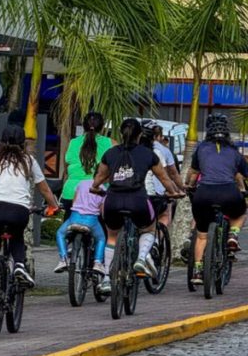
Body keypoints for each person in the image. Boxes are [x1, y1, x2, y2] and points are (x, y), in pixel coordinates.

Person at [0, 125, 58, 313]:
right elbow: (43, 188)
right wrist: (54, 205)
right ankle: (19, 265)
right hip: (18, 210)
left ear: (1, 142)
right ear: (23, 143)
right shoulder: (29, 161)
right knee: (17, 236)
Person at [90, 118, 183, 283]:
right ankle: (141, 258)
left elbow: (99, 177)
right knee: (149, 229)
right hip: (138, 201)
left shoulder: (110, 153)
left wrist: (95, 188)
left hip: (113, 201)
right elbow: (164, 178)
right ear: (139, 135)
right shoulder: (148, 154)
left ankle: (105, 279)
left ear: (121, 134)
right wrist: (173, 192)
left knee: (112, 236)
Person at [186, 113, 248, 285]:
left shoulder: (201, 148)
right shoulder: (234, 152)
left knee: (201, 235)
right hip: (229, 193)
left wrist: (190, 186)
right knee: (240, 213)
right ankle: (233, 235)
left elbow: (193, 173)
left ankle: (197, 271)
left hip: (203, 194)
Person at [53, 179, 109, 293]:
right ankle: (98, 262)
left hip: (74, 217)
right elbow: (102, 212)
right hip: (91, 220)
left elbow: (74, 202)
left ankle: (63, 259)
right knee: (101, 238)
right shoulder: (104, 189)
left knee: (60, 233)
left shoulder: (81, 183)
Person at [61, 112, 113, 220]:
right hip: (97, 193)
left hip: (71, 193)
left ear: (83, 126)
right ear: (102, 126)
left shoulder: (72, 143)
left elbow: (66, 170)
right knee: (101, 230)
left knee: (67, 228)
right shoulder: (111, 143)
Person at [142, 120, 185, 228]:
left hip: (128, 192)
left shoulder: (128, 150)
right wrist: (177, 191)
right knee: (164, 215)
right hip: (156, 193)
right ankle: (157, 241)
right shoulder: (161, 152)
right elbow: (168, 176)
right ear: (157, 136)